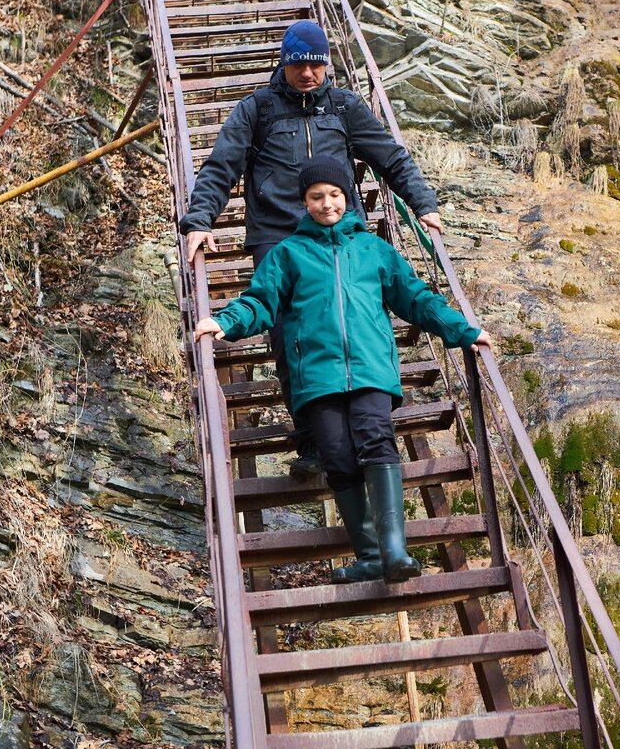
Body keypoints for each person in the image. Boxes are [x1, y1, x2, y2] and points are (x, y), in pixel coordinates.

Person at [193, 157, 491, 583]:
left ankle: (394, 550)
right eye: (317, 197)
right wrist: (225, 321)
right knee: (336, 457)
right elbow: (261, 301)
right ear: (304, 203)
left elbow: (417, 300)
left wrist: (463, 331)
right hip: (316, 375)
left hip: (370, 369)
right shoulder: (288, 254)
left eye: (334, 194)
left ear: (347, 196)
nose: (327, 203)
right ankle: (370, 556)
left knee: (376, 439)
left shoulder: (374, 250)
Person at [181, 20, 445, 477]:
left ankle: (368, 432)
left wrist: (422, 203)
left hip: (341, 236)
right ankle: (314, 443)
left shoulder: (344, 107)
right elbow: (221, 166)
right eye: (299, 63)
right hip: (279, 237)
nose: (308, 73)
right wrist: (200, 220)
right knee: (288, 335)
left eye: (316, 64)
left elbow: (391, 156)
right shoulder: (256, 110)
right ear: (284, 62)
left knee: (357, 325)